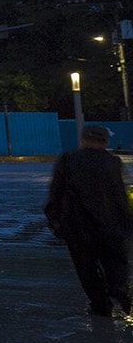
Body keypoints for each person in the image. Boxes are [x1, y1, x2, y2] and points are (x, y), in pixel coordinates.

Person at [44, 124, 133, 318]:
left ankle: (100, 305)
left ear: (83, 140)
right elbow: (119, 196)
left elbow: (56, 193)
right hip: (111, 224)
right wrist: (126, 222)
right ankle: (118, 287)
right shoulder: (112, 162)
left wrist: (54, 220)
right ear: (105, 141)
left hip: (78, 226)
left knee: (86, 269)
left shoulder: (68, 160)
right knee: (115, 261)